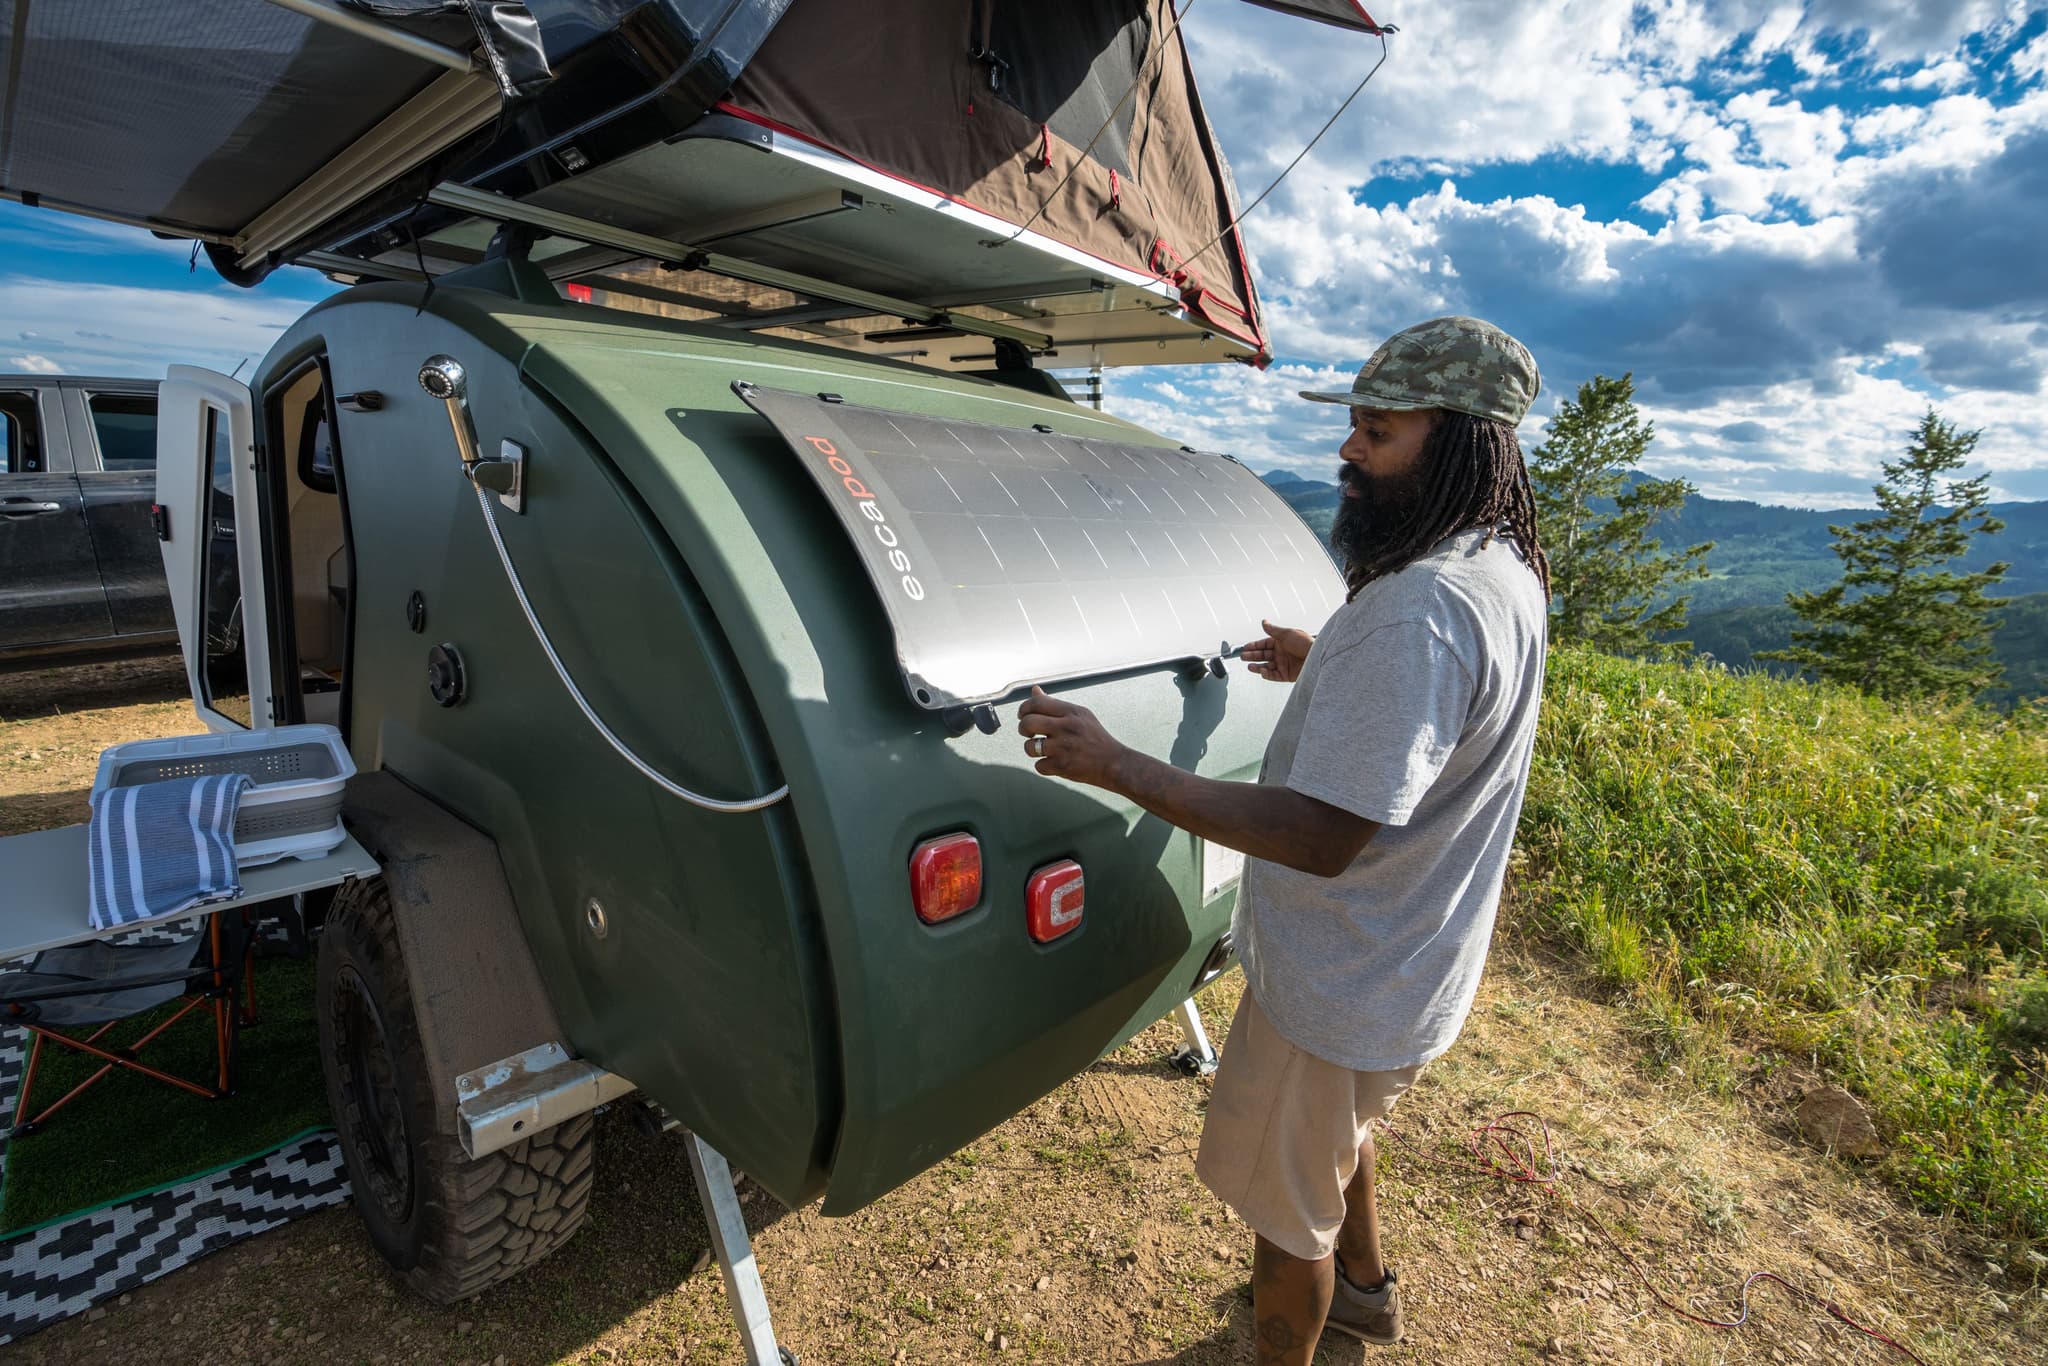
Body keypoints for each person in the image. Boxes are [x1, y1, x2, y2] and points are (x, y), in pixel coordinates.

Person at [1017, 316, 1551, 1362]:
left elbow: (1316, 836)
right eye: (1354, 425)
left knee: (1282, 1215)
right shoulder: (1498, 568)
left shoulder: (1419, 610)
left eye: (1379, 431)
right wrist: (1329, 661)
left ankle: (1301, 1325)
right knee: (1329, 1146)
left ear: (1459, 442)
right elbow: (1434, 719)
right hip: (1403, 967)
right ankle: (1364, 1291)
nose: (1349, 449)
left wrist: (1118, 763)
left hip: (1339, 979)